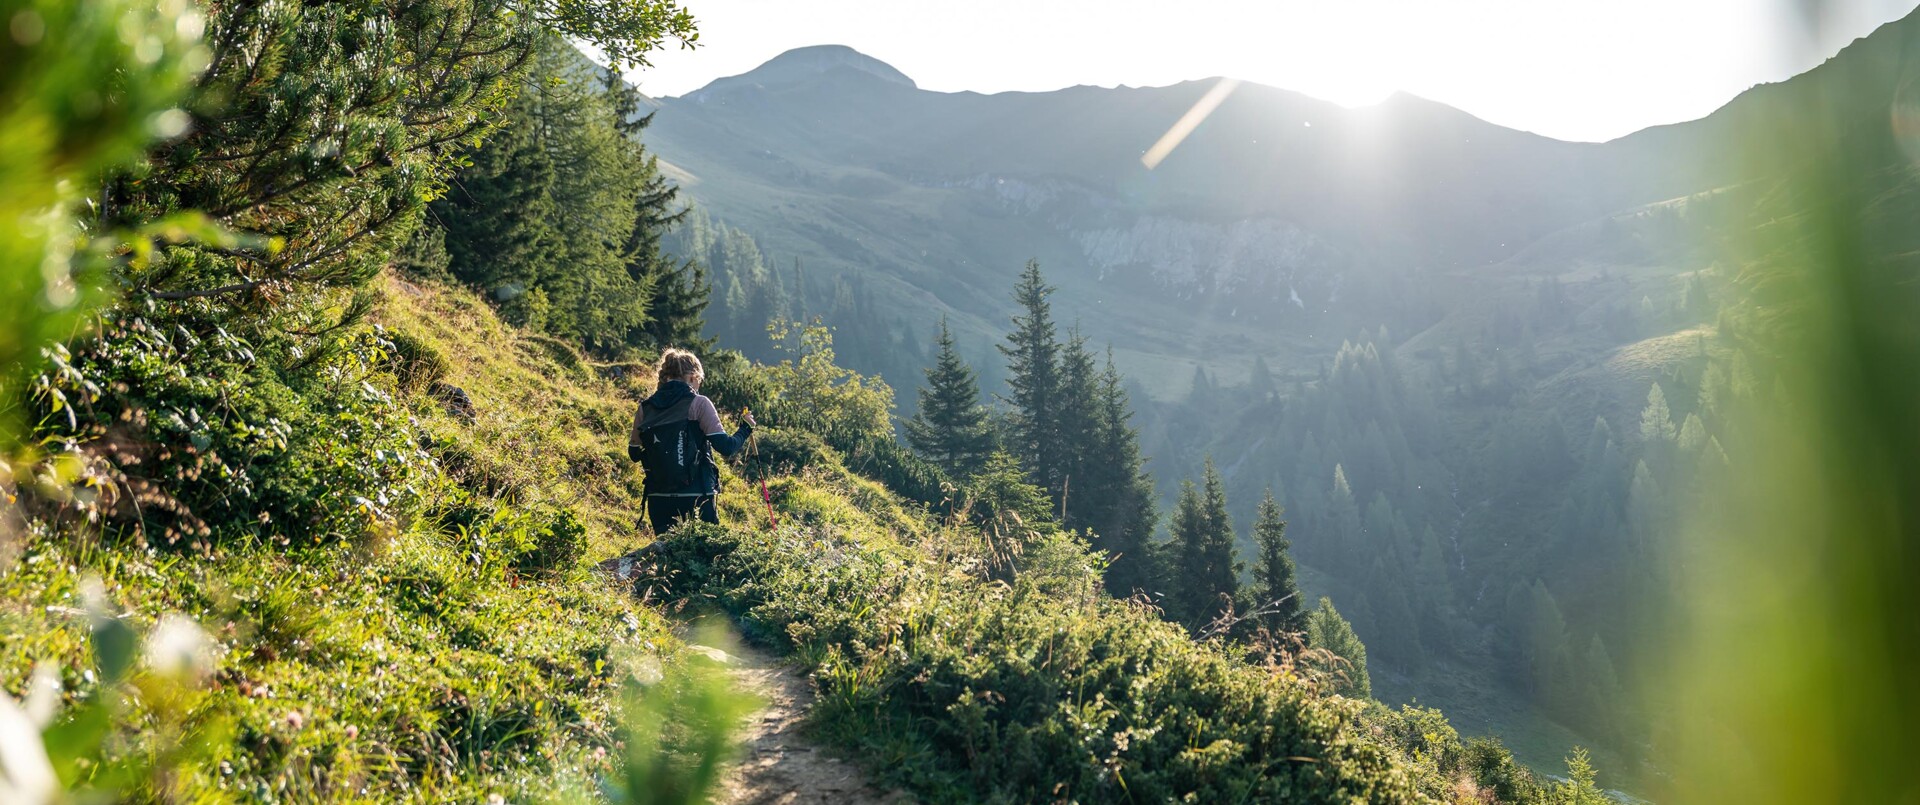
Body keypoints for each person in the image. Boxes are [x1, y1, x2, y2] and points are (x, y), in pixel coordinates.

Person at [628, 349, 755, 533]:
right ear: (693, 377)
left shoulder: (646, 407)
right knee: (703, 556)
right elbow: (726, 447)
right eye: (699, 381)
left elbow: (634, 454)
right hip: (696, 495)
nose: (699, 386)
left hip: (658, 497)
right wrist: (745, 428)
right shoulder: (699, 403)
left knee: (668, 557)